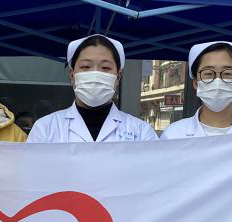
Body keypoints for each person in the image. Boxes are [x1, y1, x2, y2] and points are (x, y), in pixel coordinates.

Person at [28, 34, 156, 143]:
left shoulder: (141, 132)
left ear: (118, 76)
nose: (95, 74)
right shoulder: (45, 129)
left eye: (105, 68)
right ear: (72, 75)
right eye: (85, 67)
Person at [160, 42, 232, 138]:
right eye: (208, 73)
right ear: (196, 83)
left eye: (227, 73)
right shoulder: (172, 135)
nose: (217, 81)